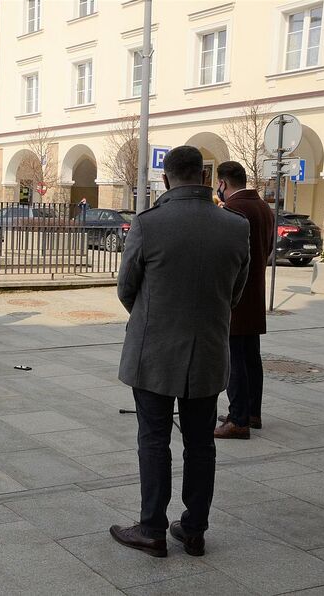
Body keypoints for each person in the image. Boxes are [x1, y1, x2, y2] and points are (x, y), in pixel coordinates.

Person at [110, 146, 250, 558]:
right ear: (206, 177)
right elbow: (234, 294)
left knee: (153, 440)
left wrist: (154, 318)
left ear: (167, 179)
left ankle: (152, 528)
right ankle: (194, 530)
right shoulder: (234, 226)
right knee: (201, 444)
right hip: (207, 351)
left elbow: (126, 288)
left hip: (153, 353)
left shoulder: (148, 223)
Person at [214, 161, 275, 439]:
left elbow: (225, 254)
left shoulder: (234, 210)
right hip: (256, 294)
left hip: (235, 296)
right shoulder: (264, 208)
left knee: (235, 360)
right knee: (251, 358)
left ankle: (238, 420)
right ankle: (252, 412)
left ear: (223, 183)